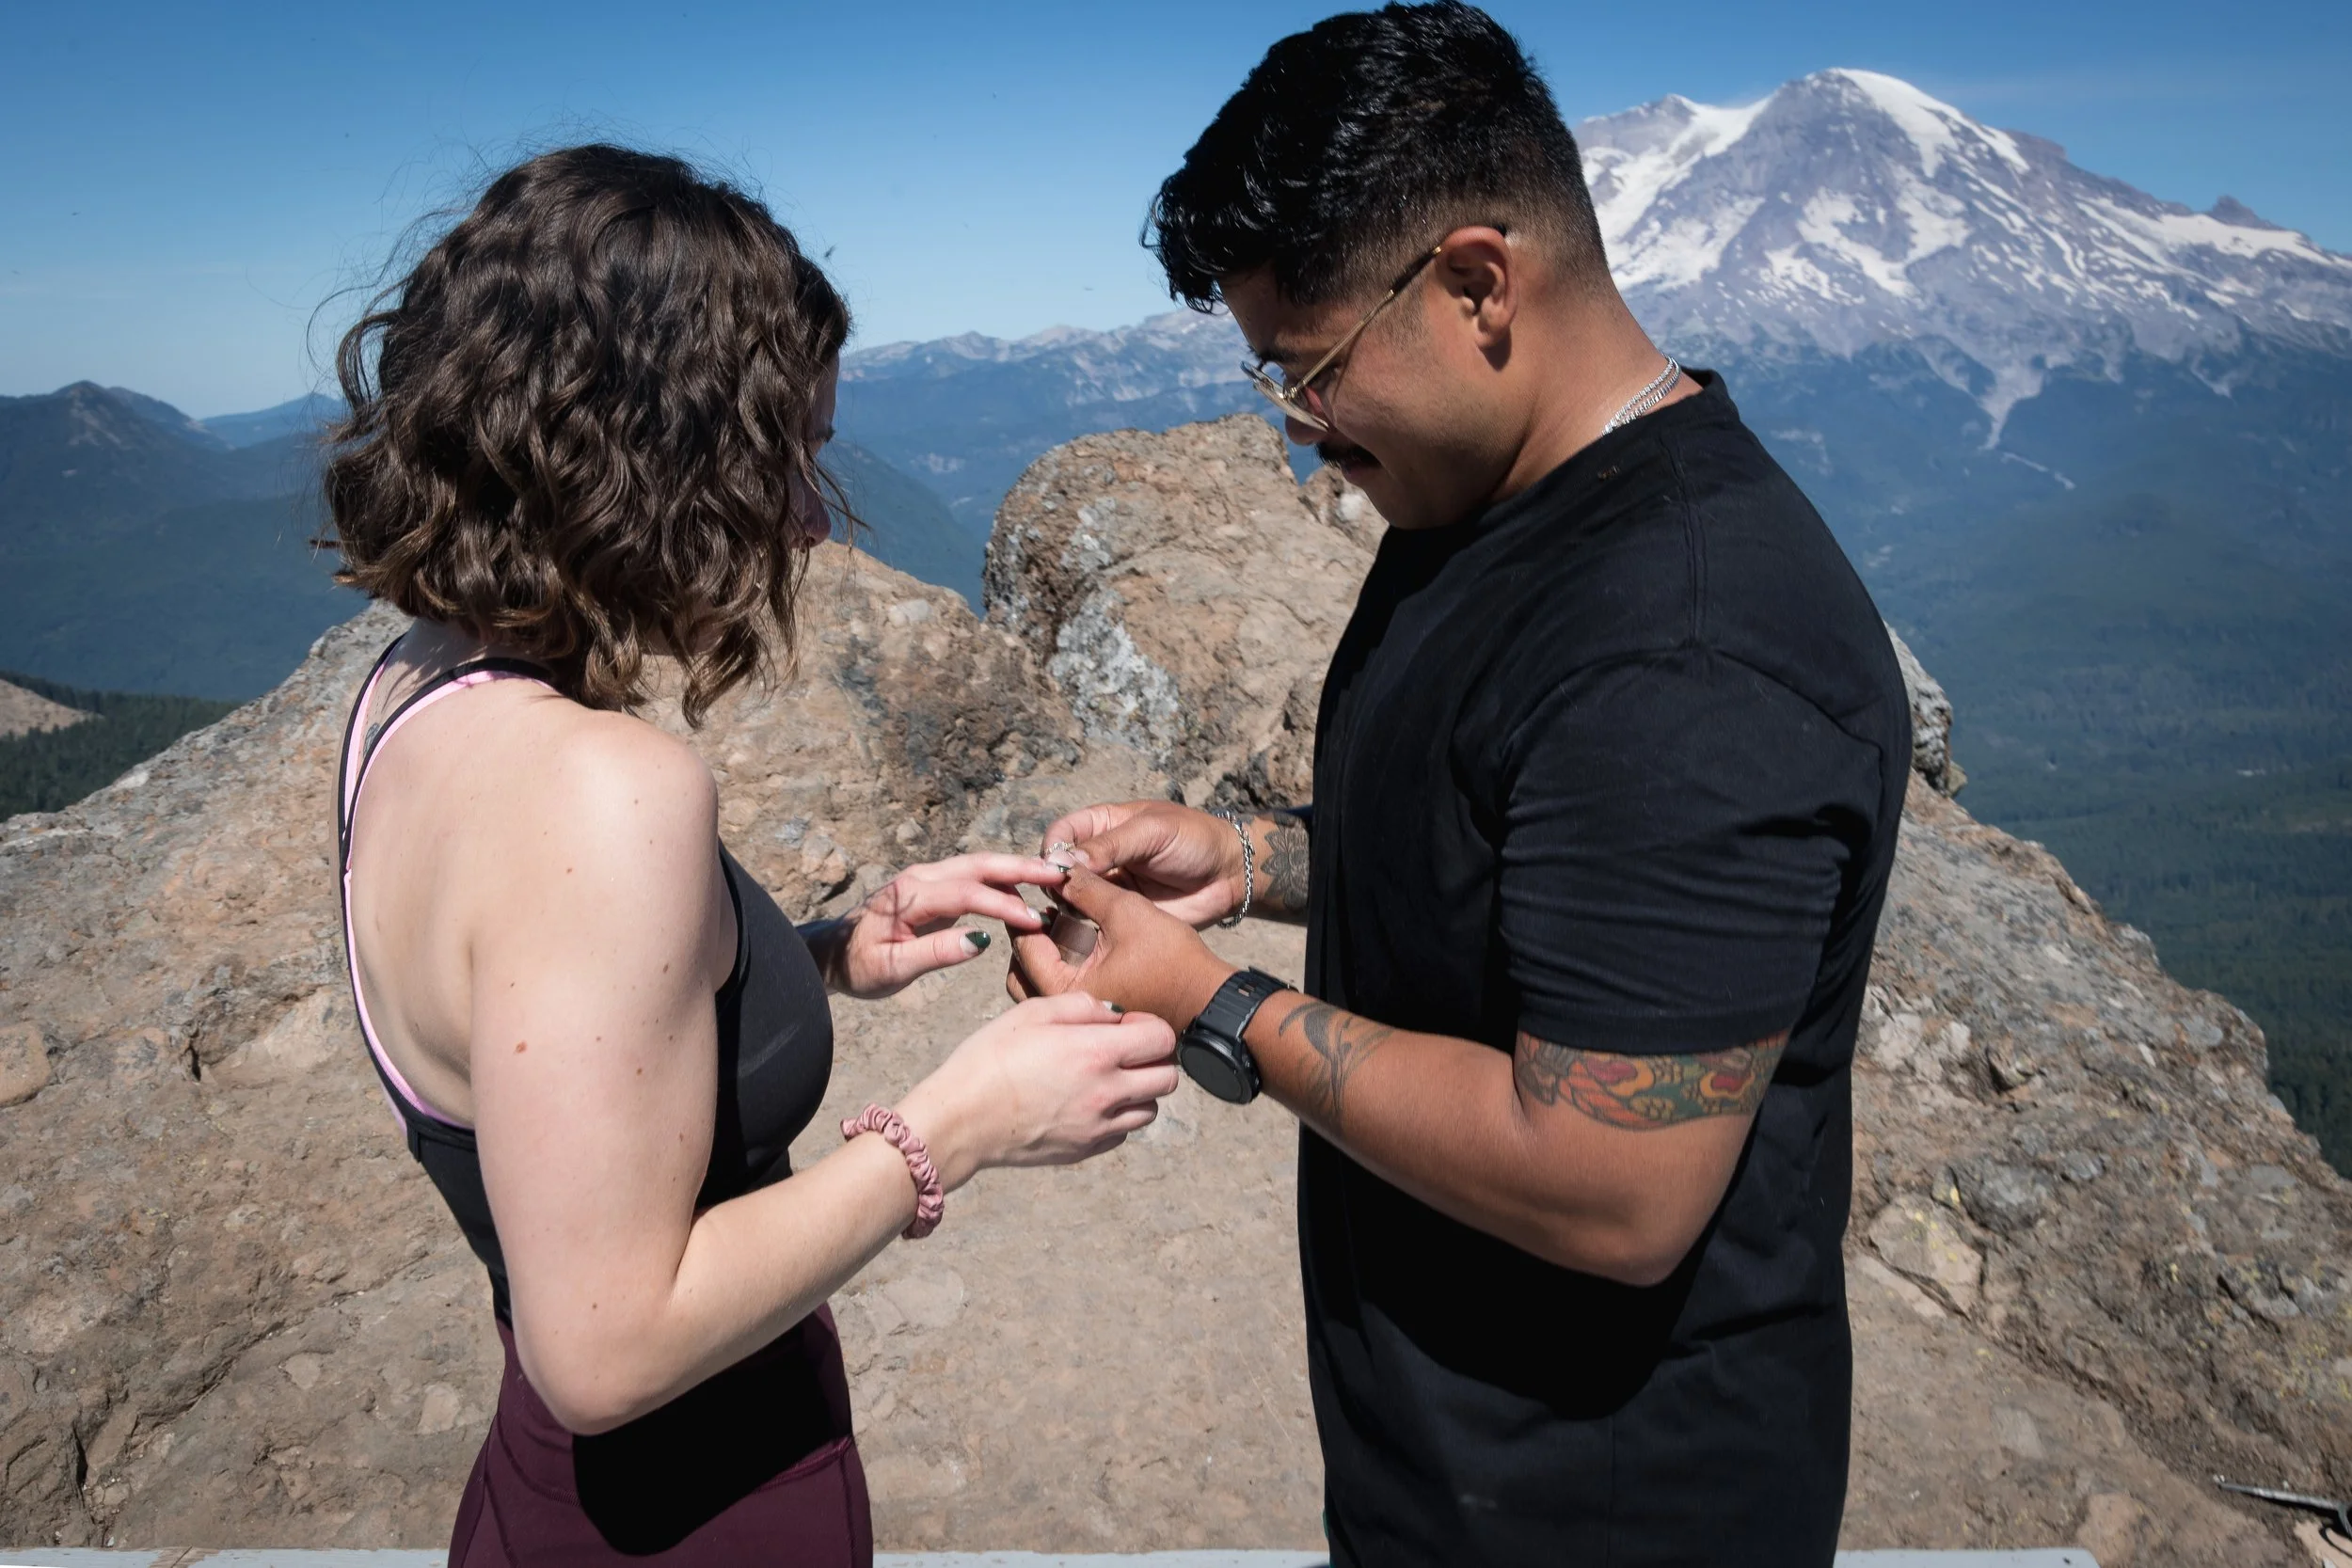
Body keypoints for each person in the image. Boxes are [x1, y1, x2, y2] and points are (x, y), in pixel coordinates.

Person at [1009, 6, 1911, 1564]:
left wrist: (1212, 1003)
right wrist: (1245, 858)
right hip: (1440, 1473)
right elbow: (1501, 837)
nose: (1300, 437)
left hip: (1611, 1509)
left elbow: (1611, 1187)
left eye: (1310, 375)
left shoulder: (1690, 656)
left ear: (1479, 283)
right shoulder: (1477, 504)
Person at [325, 145, 1178, 1565]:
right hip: (698, 1504)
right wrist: (961, 1120)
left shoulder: (409, 694)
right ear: (645, 451)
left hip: (551, 1502)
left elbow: (548, 1027)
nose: (807, 513)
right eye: (783, 452)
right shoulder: (607, 793)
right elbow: (604, 1346)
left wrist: (829, 951)